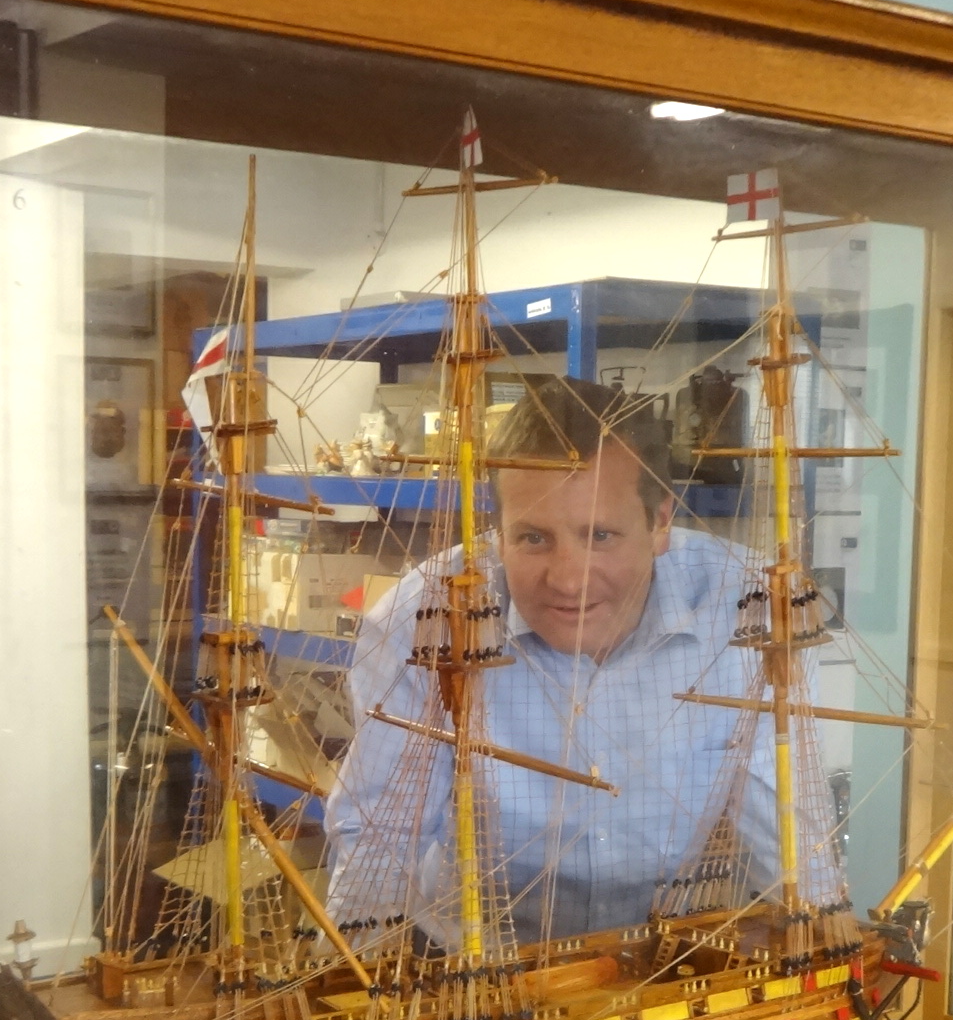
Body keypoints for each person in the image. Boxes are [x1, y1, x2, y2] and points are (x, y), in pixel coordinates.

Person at [324, 376, 786, 947]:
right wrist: (356, 985)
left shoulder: (753, 612)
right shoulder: (425, 619)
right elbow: (380, 837)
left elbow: (784, 821)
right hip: (475, 965)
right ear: (496, 532)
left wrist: (825, 938)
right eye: (534, 538)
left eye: (599, 535)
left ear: (661, 521)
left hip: (672, 960)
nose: (568, 580)